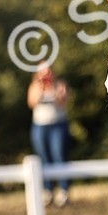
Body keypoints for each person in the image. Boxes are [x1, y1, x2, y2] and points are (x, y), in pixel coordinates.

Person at [27, 62, 71, 206]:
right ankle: (48, 190)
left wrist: (54, 90)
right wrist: (41, 88)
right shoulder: (35, 86)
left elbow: (63, 102)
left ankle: (63, 190)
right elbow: (31, 103)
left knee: (59, 156)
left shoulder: (60, 84)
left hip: (57, 125)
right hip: (40, 126)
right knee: (44, 159)